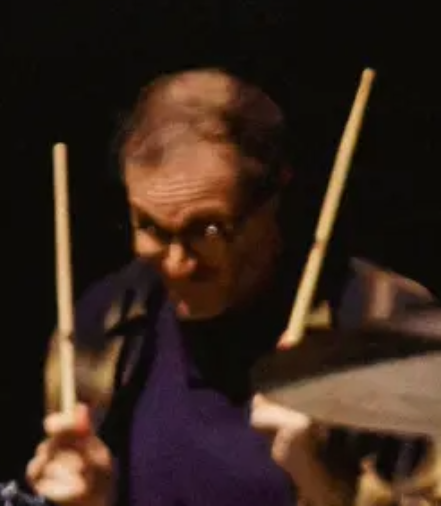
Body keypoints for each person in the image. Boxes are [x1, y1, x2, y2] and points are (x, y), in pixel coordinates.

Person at [26, 68, 432, 506]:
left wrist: (323, 481)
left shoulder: (390, 326)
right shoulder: (99, 326)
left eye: (208, 229)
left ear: (273, 201)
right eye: (151, 227)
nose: (178, 264)